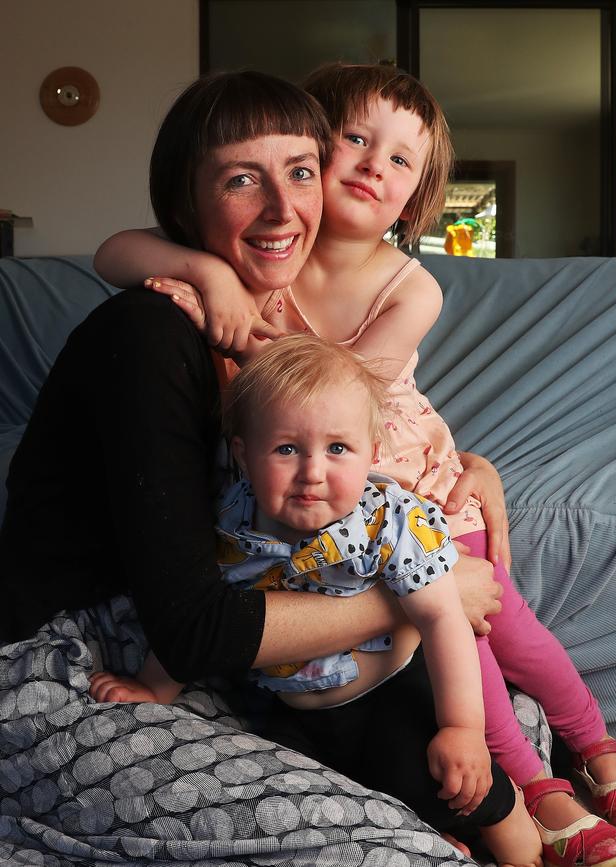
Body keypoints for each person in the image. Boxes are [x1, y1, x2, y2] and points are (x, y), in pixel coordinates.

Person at [94, 62, 616, 867]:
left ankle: (597, 748)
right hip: (334, 497)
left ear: (419, 192)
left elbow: (341, 389)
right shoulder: (280, 242)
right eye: (353, 139)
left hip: (418, 492)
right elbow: (117, 249)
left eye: (399, 160)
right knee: (472, 659)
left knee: (503, 636)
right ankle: (537, 789)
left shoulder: (409, 284)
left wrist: (249, 332)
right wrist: (210, 275)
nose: (369, 166)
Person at [0, 70, 517, 867]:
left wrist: (471, 466)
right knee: (401, 854)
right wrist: (421, 596)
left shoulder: (271, 340)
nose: (283, 210)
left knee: (469, 752)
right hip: (70, 665)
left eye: (300, 172)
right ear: (186, 202)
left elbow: (349, 444)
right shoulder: (151, 333)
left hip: (201, 656)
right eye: (244, 179)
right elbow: (198, 623)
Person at [90, 333, 544, 867]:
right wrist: (154, 687)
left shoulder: (387, 520)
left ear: (372, 453)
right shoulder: (232, 522)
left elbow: (445, 620)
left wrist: (461, 728)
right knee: (317, 799)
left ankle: (518, 837)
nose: (312, 471)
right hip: (291, 712)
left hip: (392, 697)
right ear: (244, 455)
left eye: (337, 449)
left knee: (448, 783)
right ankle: (419, 840)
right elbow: (199, 610)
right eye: (286, 449)